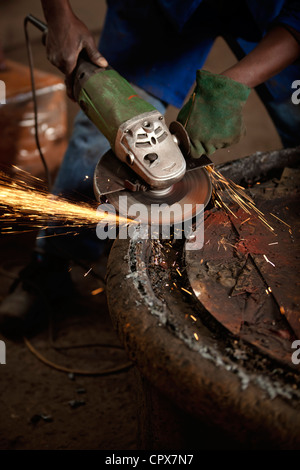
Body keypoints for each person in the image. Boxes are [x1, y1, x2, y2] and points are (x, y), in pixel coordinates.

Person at [0, 0, 299, 337]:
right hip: (163, 6)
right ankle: (49, 266)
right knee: (102, 130)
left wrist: (231, 87)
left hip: (275, 11)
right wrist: (59, 16)